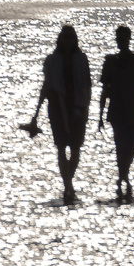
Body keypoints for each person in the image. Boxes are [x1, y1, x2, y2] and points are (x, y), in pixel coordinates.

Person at [28, 24, 91, 204]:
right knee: (62, 147)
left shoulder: (82, 59)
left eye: (71, 37)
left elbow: (88, 85)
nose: (68, 41)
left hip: (78, 107)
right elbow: (47, 86)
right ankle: (68, 187)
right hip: (57, 106)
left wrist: (86, 107)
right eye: (65, 37)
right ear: (60, 39)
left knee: (76, 148)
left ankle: (68, 183)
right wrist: (36, 113)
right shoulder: (51, 61)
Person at [98, 25, 134, 203]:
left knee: (132, 145)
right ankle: (124, 178)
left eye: (123, 38)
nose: (120, 41)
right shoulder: (110, 62)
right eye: (118, 38)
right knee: (121, 144)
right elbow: (105, 90)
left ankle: (123, 176)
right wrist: (100, 114)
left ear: (128, 40)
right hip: (117, 111)